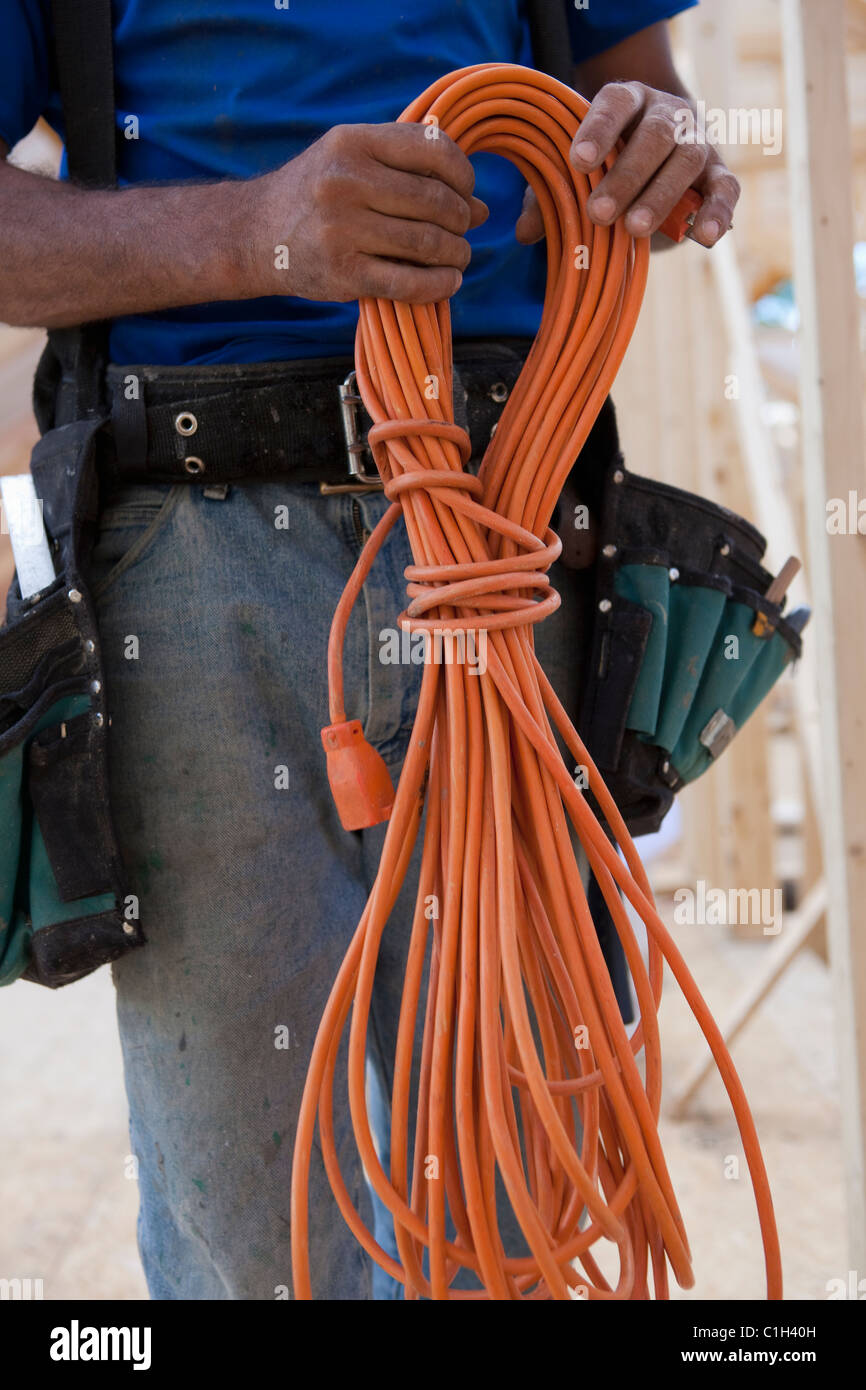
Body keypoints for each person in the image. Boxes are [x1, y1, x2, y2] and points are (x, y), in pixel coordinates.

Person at [0, 1, 739, 1300]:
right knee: (264, 1224)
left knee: (523, 1180)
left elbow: (650, 94)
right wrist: (256, 228)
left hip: (509, 518)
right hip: (196, 554)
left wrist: (663, 151)